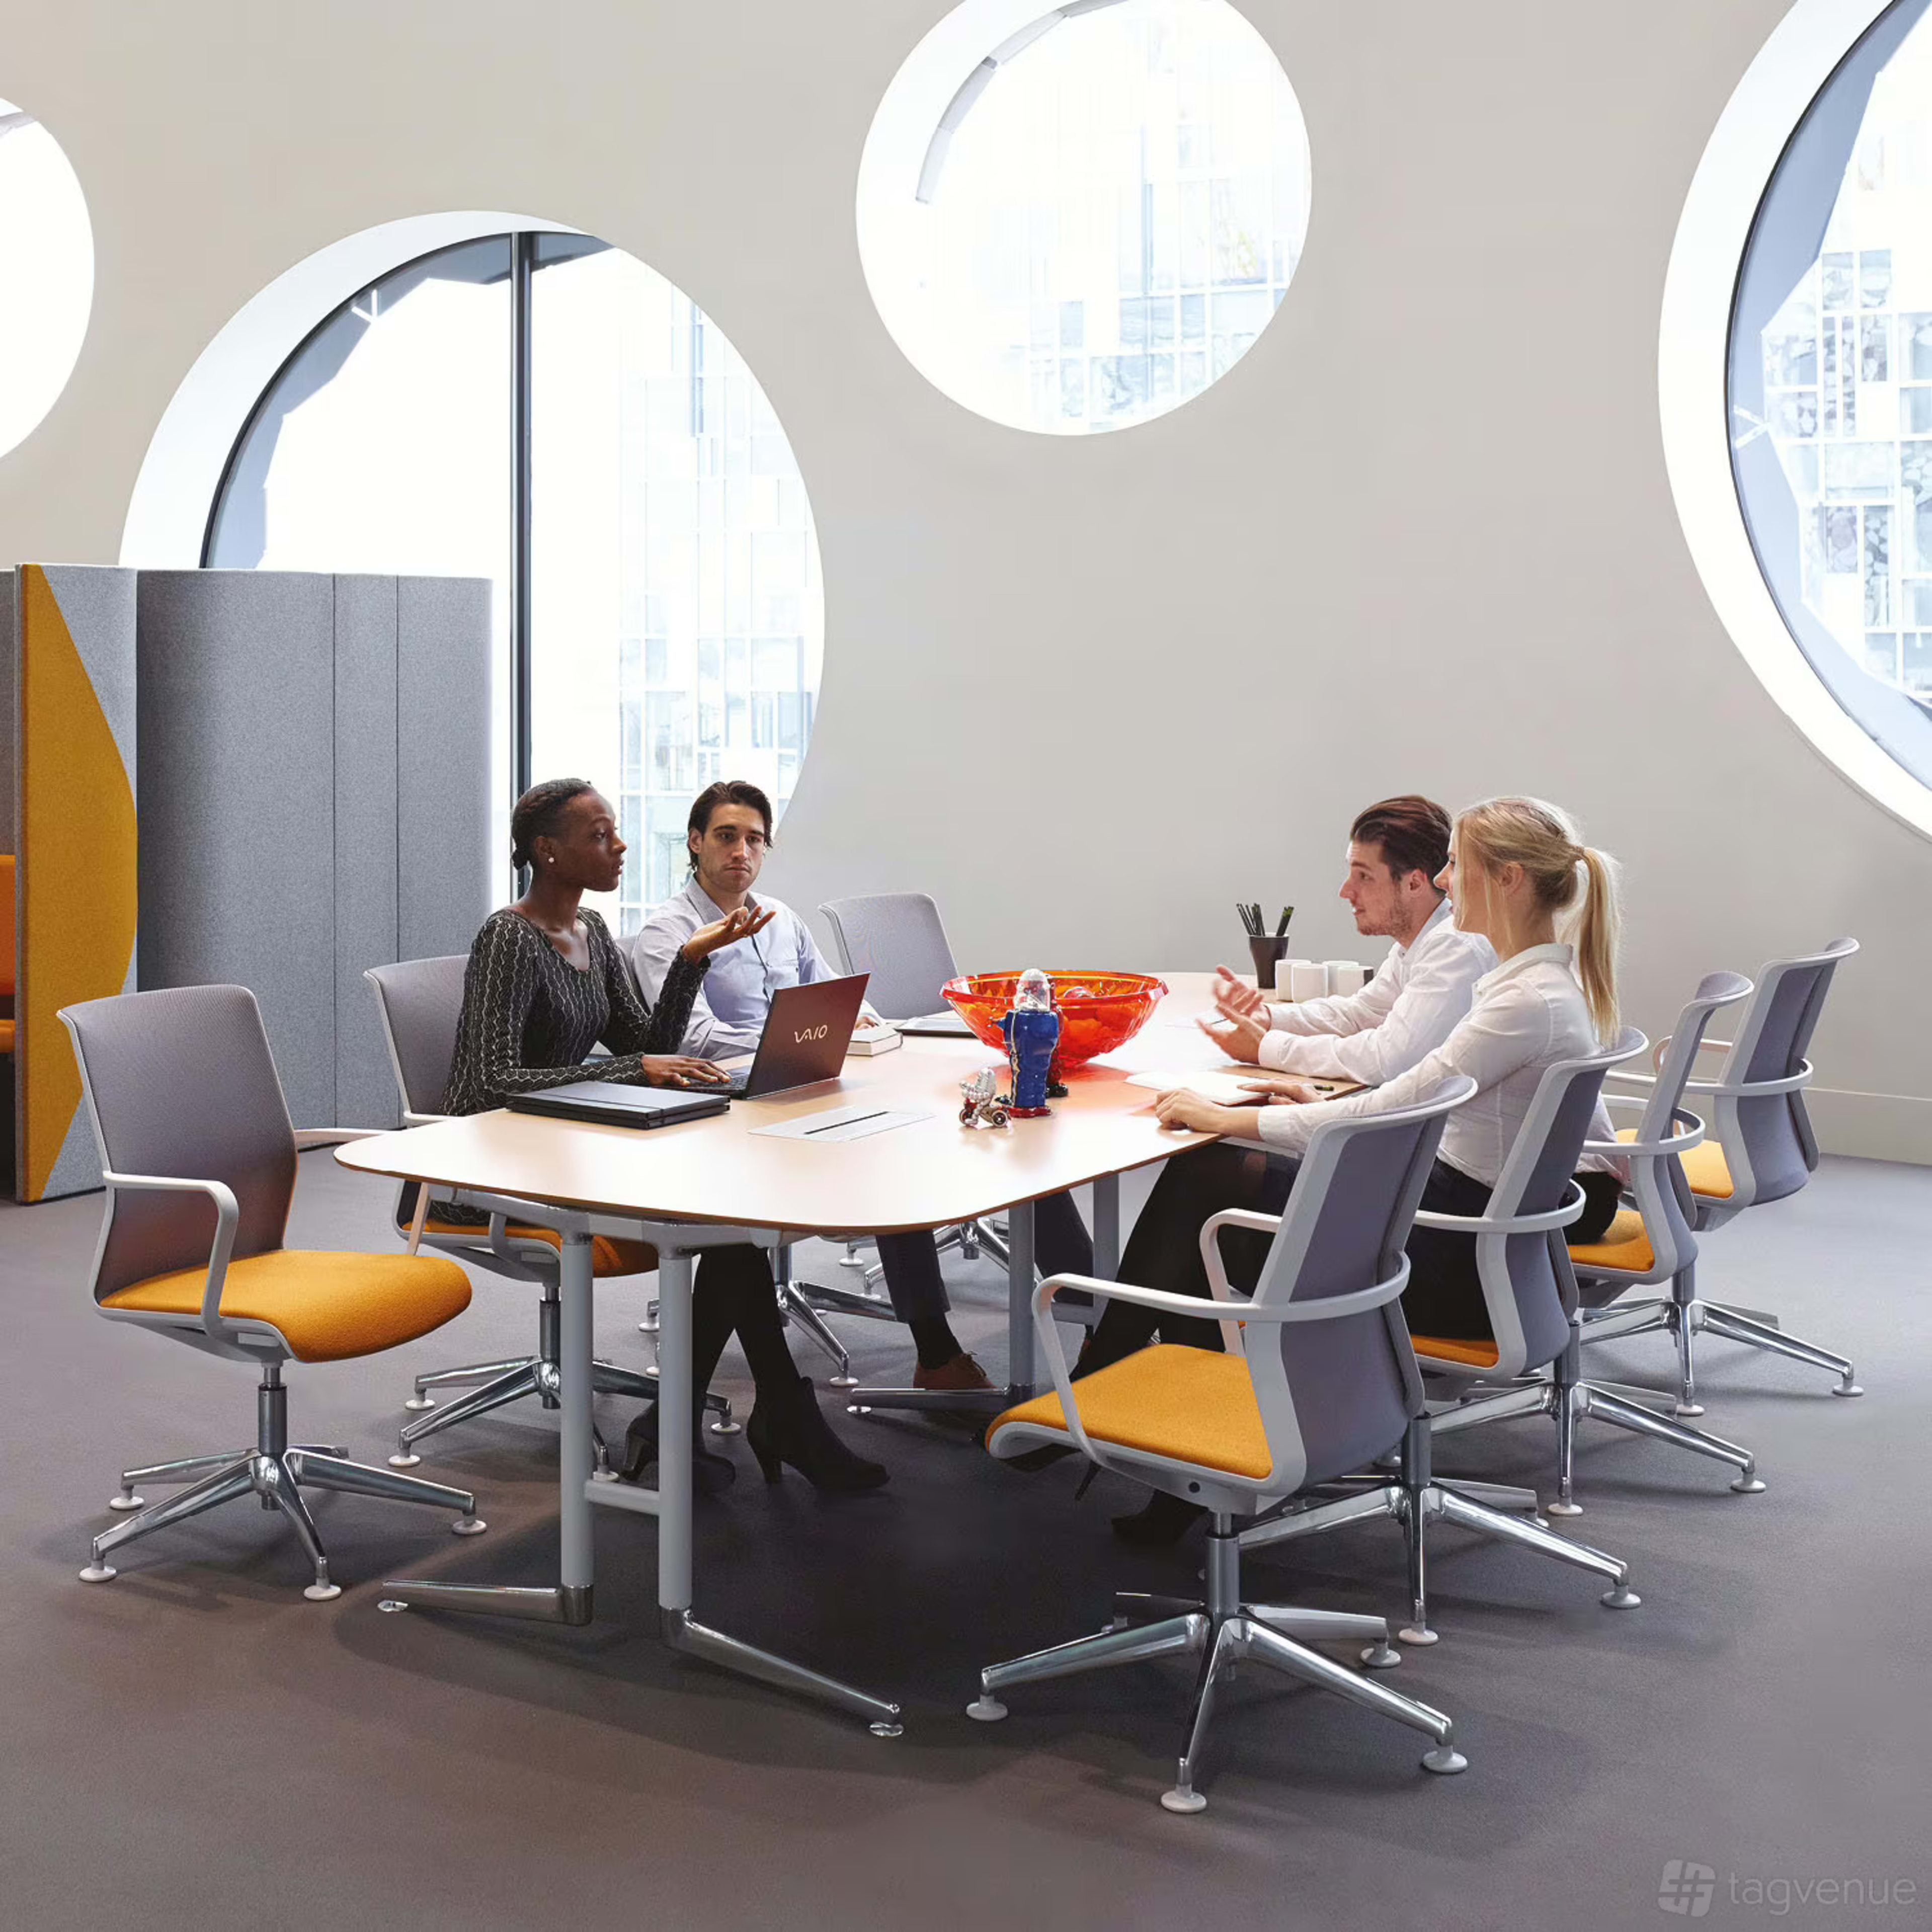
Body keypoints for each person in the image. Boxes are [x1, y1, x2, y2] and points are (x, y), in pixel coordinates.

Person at [1073, 796, 1628, 1543]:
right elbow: (1408, 1094)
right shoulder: (1537, 990)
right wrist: (1285, 1089)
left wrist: (1233, 1116)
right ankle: (1142, 1420)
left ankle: (1119, 1403)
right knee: (1218, 1180)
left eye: (1456, 868)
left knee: (1208, 1187)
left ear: (1508, 880)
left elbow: (1392, 1104)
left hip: (1449, 1259)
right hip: (1478, 1239)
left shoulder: (1522, 1004)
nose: (1446, 881)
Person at [442, 777, 887, 1494]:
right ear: (548, 852)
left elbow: (651, 1040)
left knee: (724, 1232)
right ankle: (766, 1417)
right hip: (488, 1172)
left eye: (615, 831)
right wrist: (635, 1064)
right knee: (726, 1235)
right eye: (599, 836)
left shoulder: (590, 935)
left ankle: (692, 1425)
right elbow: (487, 1084)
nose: (618, 846)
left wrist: (690, 962)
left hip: (566, 1149)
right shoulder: (508, 938)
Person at [632, 779, 1095, 1393]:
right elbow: (691, 1041)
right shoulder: (667, 933)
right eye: (725, 836)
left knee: (1007, 1136)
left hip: (808, 1080)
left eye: (753, 839)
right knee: (891, 1161)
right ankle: (935, 1350)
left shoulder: (780, 919)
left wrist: (866, 1024)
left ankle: (1102, 1317)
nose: (740, 851)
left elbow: (836, 996)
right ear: (694, 842)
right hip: (731, 1106)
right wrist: (787, 1043)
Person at [1201, 795, 1492, 1084]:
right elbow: (1360, 1014)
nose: (1346, 891)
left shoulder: (1454, 945)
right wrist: (1268, 1018)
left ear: (1414, 882)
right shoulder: (1421, 942)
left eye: (1364, 877)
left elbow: (1389, 1060)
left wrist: (1267, 1048)